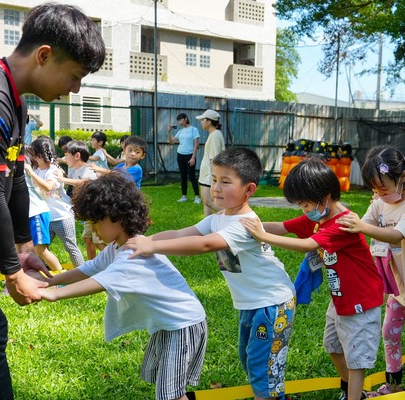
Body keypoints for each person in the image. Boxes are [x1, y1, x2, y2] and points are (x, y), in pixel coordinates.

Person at [0, 3, 105, 399]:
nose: (75, 89)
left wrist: (23, 248)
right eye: (74, 76)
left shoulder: (15, 101)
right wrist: (10, 271)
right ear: (44, 56)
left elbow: (15, 178)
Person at [125, 148, 296, 400]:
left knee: (263, 368)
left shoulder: (244, 223)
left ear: (249, 190)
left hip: (273, 302)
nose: (216, 187)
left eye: (225, 182)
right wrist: (143, 239)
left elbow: (205, 244)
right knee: (249, 358)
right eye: (214, 179)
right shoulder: (219, 217)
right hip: (252, 302)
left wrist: (153, 247)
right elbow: (182, 234)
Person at [39, 172, 208, 400]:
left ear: (116, 217)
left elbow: (99, 282)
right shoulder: (117, 247)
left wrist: (53, 295)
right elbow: (89, 269)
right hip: (170, 325)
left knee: (170, 394)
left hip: (183, 325)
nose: (94, 230)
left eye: (96, 223)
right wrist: (51, 280)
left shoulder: (132, 256)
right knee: (166, 384)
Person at [240, 157, 383, 400]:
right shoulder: (319, 218)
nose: (303, 211)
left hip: (361, 301)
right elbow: (283, 226)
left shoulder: (344, 223)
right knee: (333, 347)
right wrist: (241, 225)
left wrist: (262, 236)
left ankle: (355, 395)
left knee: (356, 359)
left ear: (324, 197)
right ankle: (352, 390)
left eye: (304, 205)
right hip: (340, 299)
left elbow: (305, 245)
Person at [337, 146, 405, 399]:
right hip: (397, 284)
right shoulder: (380, 204)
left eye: (382, 188)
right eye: (374, 189)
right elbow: (365, 224)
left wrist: (361, 225)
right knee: (389, 334)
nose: (378, 194)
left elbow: (396, 235)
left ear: (402, 178)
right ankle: (393, 386)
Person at [26, 136, 84, 268]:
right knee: (41, 249)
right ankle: (54, 271)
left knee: (71, 247)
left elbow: (48, 187)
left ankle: (83, 275)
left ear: (39, 155)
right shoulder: (37, 169)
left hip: (62, 216)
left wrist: (31, 173)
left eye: (33, 154)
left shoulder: (54, 170)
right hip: (46, 217)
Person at [55, 140, 104, 260]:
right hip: (88, 212)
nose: (64, 158)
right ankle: (92, 265)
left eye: (66, 156)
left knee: (98, 241)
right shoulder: (75, 170)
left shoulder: (88, 168)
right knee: (88, 239)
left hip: (97, 210)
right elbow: (70, 181)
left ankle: (114, 260)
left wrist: (63, 180)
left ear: (77, 156)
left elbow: (84, 182)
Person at [23, 145, 63, 271]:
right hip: (29, 213)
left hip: (36, 213)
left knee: (41, 250)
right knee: (26, 249)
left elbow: (48, 186)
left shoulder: (25, 169)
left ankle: (61, 278)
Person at [196, 109, 225, 216]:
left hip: (210, 174)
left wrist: (214, 178)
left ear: (209, 121)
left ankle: (233, 217)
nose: (201, 122)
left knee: (208, 201)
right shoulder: (213, 134)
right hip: (206, 174)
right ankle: (206, 229)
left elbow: (215, 158)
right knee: (206, 203)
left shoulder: (215, 135)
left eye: (203, 120)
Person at [168, 113, 201, 204]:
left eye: (181, 120)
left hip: (189, 155)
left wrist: (193, 158)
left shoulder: (194, 129)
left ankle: (197, 197)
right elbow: (171, 142)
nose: (179, 122)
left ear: (186, 119)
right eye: (178, 120)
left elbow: (196, 145)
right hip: (180, 155)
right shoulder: (180, 131)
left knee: (192, 176)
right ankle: (184, 196)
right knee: (183, 176)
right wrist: (169, 132)